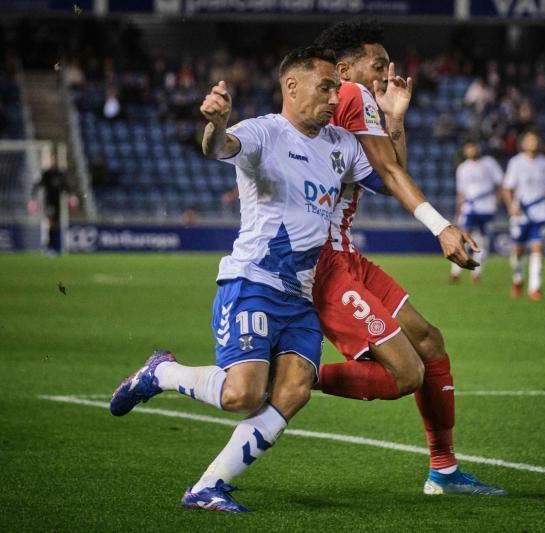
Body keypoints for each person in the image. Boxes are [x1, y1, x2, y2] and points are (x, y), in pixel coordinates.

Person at [109, 46, 379, 513]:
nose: (336, 96)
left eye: (338, 88)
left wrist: (392, 118)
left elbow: (391, 174)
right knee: (243, 396)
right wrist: (215, 123)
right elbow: (218, 148)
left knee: (293, 392)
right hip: (252, 281)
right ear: (291, 87)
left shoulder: (342, 144)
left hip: (300, 297)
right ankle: (161, 372)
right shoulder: (264, 133)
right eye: (326, 86)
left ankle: (208, 486)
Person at [313, 20, 505, 496]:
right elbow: (389, 171)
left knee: (429, 341)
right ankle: (295, 374)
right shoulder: (352, 95)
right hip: (323, 262)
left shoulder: (352, 105)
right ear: (345, 68)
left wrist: (395, 117)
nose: (386, 72)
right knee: (407, 372)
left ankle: (444, 469)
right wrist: (442, 227)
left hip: (344, 255)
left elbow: (386, 174)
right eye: (378, 64)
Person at [501, 130, 545, 300]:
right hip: (522, 213)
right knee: (518, 251)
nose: (533, 143)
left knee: (538, 248)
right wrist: (511, 206)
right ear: (524, 144)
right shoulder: (516, 163)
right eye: (530, 140)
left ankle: (535, 287)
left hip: (541, 212)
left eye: (535, 139)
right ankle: (518, 279)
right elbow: (507, 188)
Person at [449, 141, 504, 284]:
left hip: (486, 210)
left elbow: (501, 184)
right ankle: (456, 271)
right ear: (465, 151)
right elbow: (461, 193)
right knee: (462, 239)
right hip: (469, 209)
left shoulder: (489, 163)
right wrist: (458, 212)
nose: (471, 150)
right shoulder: (463, 168)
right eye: (468, 148)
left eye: (473, 147)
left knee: (482, 242)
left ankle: (477, 273)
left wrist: (496, 202)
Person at [29, 150, 78, 254]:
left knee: (57, 225)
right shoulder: (46, 173)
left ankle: (55, 246)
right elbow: (37, 185)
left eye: (54, 158)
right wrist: (33, 199)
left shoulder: (60, 173)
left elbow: (66, 187)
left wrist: (71, 196)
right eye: (51, 159)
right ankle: (49, 246)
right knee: (50, 223)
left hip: (58, 203)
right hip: (49, 202)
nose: (52, 161)